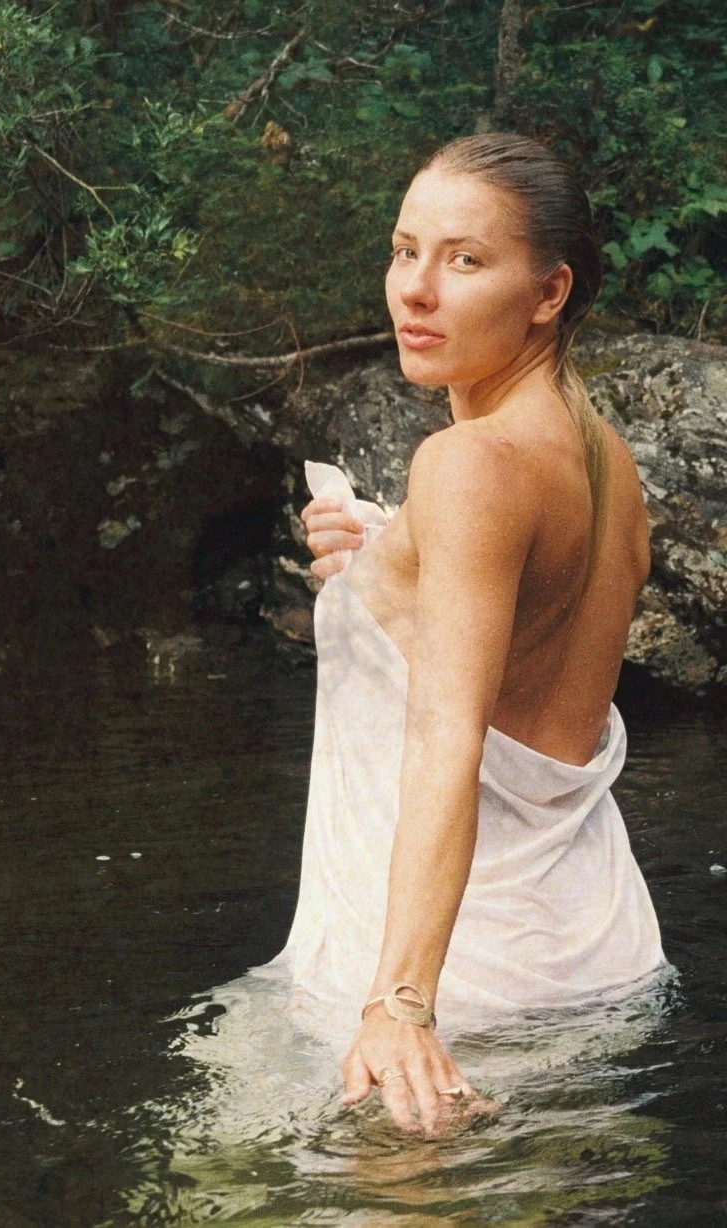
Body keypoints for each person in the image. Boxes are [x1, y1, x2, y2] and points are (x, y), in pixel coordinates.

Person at [274, 132, 669, 1138]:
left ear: (549, 293)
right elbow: (526, 633)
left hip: (454, 983)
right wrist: (380, 552)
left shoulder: (463, 467)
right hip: (599, 963)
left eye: (465, 260)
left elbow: (450, 737)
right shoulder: (607, 462)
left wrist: (399, 1004)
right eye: (405, 250)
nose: (415, 290)